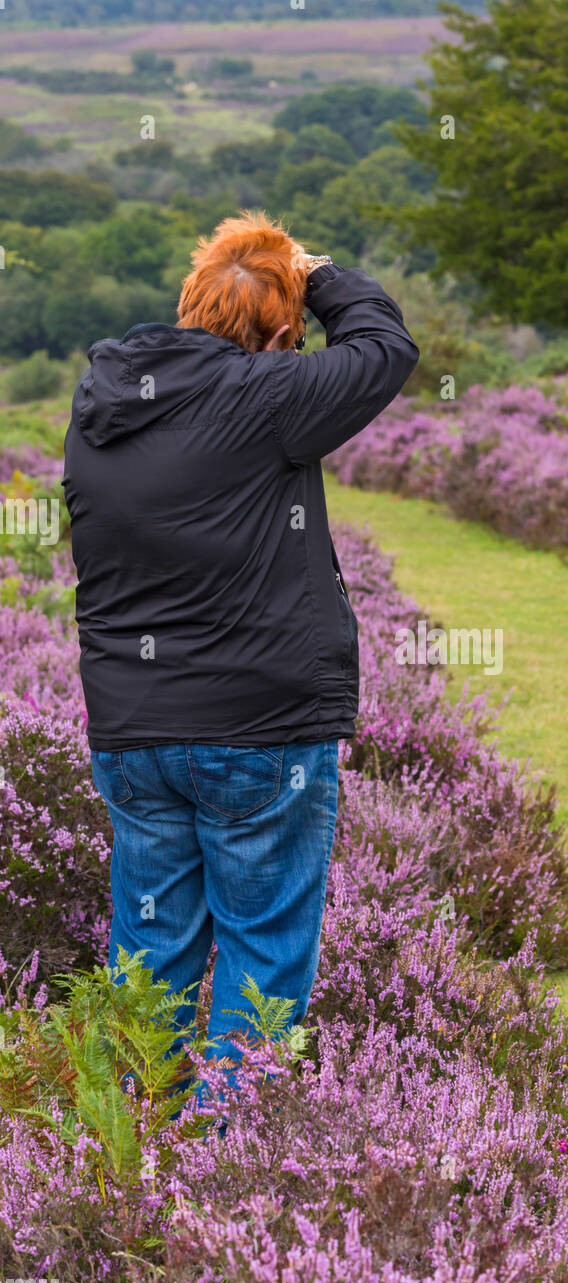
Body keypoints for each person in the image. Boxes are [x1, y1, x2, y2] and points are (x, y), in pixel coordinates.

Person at [63, 210, 419, 1096]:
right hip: (259, 727)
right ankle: (226, 1169)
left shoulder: (101, 406)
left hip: (133, 733)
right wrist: (316, 269)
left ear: (188, 307)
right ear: (282, 331)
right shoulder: (269, 397)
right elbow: (383, 346)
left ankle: (127, 1156)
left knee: (149, 957)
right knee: (262, 958)